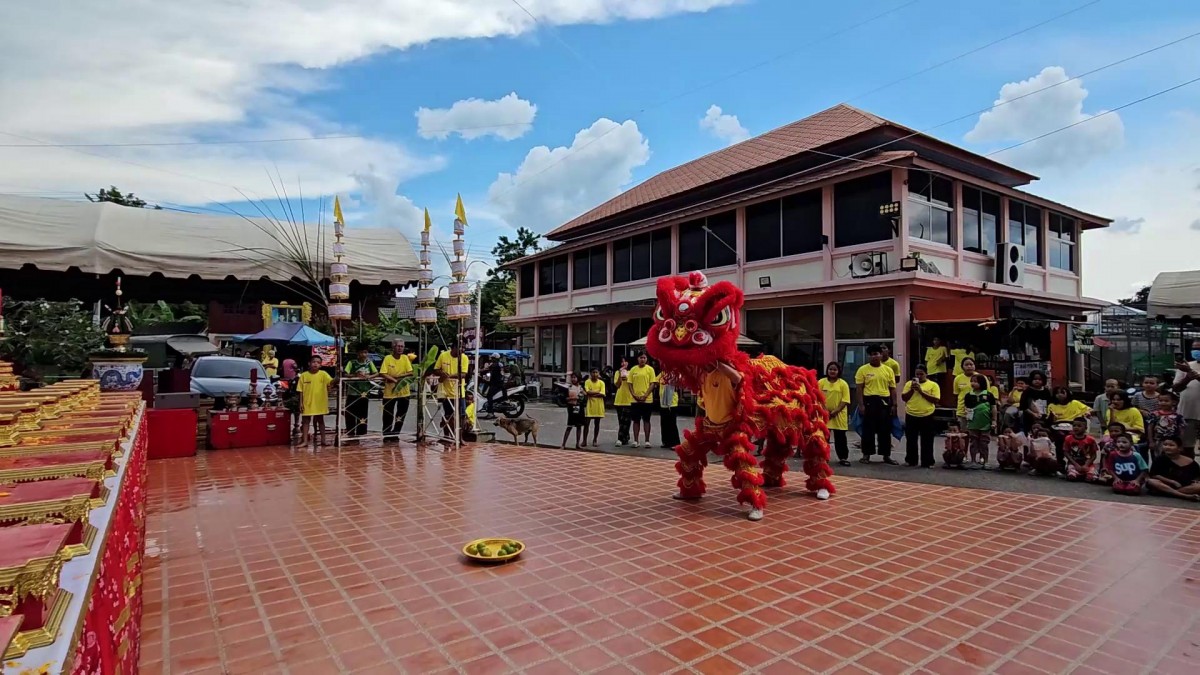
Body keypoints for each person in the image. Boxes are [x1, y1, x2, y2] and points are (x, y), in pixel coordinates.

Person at [855, 345, 898, 465]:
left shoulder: (888, 370)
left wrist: (894, 405)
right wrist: (861, 405)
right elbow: (859, 389)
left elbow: (893, 389)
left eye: (877, 354)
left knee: (885, 430)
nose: (874, 356)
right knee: (868, 429)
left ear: (881, 355)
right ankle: (866, 455)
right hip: (869, 401)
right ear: (869, 356)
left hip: (884, 402)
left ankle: (886, 455)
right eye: (872, 354)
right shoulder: (862, 370)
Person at [901, 363, 940, 468]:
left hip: (927, 414)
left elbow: (935, 400)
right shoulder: (909, 384)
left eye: (921, 374)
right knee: (911, 439)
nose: (918, 376)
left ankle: (927, 462)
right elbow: (904, 398)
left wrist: (921, 391)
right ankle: (911, 460)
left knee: (927, 439)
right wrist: (912, 390)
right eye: (917, 374)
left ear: (926, 374)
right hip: (911, 414)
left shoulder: (933, 385)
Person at [1146, 436, 1200, 501]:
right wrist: (1172, 482)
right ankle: (1184, 496)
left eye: (1171, 445)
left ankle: (1168, 492)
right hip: (1165, 484)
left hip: (1183, 486)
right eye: (1165, 445)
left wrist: (1196, 481)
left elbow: (1197, 476)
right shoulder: (1159, 459)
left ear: (1179, 448)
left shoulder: (1190, 462)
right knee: (1151, 482)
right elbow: (1154, 475)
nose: (1167, 447)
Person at [818, 362, 851, 467]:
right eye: (830, 369)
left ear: (838, 371)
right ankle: (823, 457)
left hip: (839, 415)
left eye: (835, 370)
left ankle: (843, 458)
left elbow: (845, 400)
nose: (832, 371)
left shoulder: (843, 384)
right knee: (823, 438)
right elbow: (817, 398)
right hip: (823, 414)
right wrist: (824, 411)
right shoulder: (821, 382)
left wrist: (835, 411)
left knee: (840, 438)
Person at [435, 345, 470, 439]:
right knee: (447, 415)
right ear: (453, 347)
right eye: (459, 347)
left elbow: (463, 374)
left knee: (462, 415)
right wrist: (442, 373)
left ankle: (460, 437)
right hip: (445, 392)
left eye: (463, 348)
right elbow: (436, 369)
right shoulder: (443, 355)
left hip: (459, 392)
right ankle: (446, 436)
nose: (461, 350)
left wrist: (448, 376)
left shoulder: (464, 358)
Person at [297, 356, 333, 446]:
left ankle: (323, 441)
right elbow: (300, 391)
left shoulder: (323, 374)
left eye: (318, 362)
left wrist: (338, 375)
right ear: (309, 363)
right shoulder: (304, 375)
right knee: (305, 421)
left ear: (320, 365)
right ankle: (305, 441)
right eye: (314, 362)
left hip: (319, 402)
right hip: (307, 402)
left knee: (320, 421)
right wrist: (300, 403)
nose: (315, 364)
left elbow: (331, 382)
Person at [380, 341, 413, 440]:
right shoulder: (388, 358)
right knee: (387, 415)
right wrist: (393, 379)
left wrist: (399, 376)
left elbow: (410, 372)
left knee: (401, 414)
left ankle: (395, 433)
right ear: (393, 347)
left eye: (402, 346)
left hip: (404, 392)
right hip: (389, 392)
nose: (400, 348)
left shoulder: (405, 358)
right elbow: (383, 373)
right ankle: (387, 434)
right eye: (398, 346)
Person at [963, 374, 997, 469]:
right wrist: (967, 416)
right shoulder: (968, 395)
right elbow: (966, 408)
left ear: (982, 383)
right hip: (973, 423)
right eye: (971, 381)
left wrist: (994, 421)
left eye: (975, 381)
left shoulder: (989, 395)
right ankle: (973, 461)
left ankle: (985, 461)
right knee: (973, 442)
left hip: (985, 423)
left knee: (984, 443)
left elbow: (993, 408)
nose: (973, 383)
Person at [343, 346, 377, 437]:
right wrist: (355, 375)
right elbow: (345, 373)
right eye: (362, 352)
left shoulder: (369, 363)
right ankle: (350, 431)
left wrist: (369, 376)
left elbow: (376, 373)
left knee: (362, 413)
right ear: (358, 353)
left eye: (365, 352)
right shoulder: (352, 363)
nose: (364, 355)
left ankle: (360, 433)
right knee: (350, 412)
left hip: (364, 392)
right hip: (353, 392)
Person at [1171, 349, 1200, 456]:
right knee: (1187, 447)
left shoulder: (1187, 368)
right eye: (1194, 349)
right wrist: (1187, 377)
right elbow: (1176, 388)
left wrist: (1190, 371)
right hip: (1188, 413)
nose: (1197, 351)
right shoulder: (1184, 367)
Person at [628, 353, 657, 449]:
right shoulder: (633, 369)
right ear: (637, 359)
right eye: (641, 358)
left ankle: (647, 441)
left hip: (647, 400)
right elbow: (630, 384)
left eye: (644, 358)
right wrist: (634, 395)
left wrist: (645, 395)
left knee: (646, 420)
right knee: (636, 421)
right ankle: (636, 440)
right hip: (635, 400)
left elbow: (652, 383)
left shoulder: (650, 369)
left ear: (646, 359)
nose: (642, 359)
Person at [953, 358, 989, 430]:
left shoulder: (982, 377)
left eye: (971, 364)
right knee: (964, 433)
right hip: (962, 410)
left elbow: (987, 394)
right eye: (966, 365)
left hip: (978, 410)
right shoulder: (957, 378)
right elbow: (956, 394)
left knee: (976, 433)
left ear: (974, 366)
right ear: (962, 367)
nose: (969, 366)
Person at [1147, 391, 1185, 457]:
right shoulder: (1154, 414)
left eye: (1166, 401)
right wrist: (1151, 441)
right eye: (1161, 401)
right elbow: (1150, 428)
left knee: (1172, 458)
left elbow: (1181, 430)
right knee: (1157, 459)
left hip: (1173, 442)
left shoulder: (1178, 416)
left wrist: (1180, 443)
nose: (1163, 403)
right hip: (1158, 441)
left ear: (1173, 402)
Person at [561, 372, 584, 449]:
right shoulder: (569, 387)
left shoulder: (581, 387)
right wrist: (572, 398)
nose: (573, 379)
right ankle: (563, 444)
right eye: (572, 377)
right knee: (569, 426)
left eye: (575, 377)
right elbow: (565, 398)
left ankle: (578, 444)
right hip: (571, 407)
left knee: (579, 426)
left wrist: (582, 396)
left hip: (579, 407)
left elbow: (583, 398)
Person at [584, 368, 606, 447]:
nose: (595, 374)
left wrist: (592, 394)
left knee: (597, 424)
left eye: (596, 372)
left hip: (598, 405)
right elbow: (587, 392)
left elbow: (603, 394)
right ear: (590, 373)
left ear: (598, 373)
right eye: (593, 372)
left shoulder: (601, 383)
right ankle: (584, 440)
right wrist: (597, 392)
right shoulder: (587, 382)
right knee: (586, 424)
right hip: (589, 405)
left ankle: (595, 440)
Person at [613, 357, 633, 446]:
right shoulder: (618, 372)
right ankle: (625, 437)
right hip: (619, 399)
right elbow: (617, 385)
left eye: (625, 361)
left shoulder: (632, 372)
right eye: (622, 361)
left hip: (629, 399)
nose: (623, 363)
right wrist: (621, 375)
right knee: (621, 421)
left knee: (627, 420)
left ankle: (620, 438)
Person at [658, 372, 680, 449]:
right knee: (664, 423)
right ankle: (666, 442)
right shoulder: (662, 373)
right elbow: (656, 381)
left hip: (672, 402)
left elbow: (678, 385)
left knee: (672, 423)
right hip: (663, 402)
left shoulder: (676, 374)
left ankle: (675, 443)